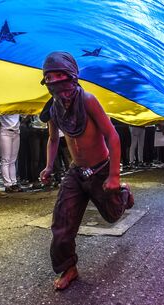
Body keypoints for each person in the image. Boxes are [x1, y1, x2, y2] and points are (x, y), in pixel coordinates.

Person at [38, 52, 134, 290]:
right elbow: (52, 139)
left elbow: (112, 135)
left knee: (112, 216)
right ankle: (68, 268)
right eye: (50, 77)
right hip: (76, 173)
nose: (56, 81)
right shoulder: (53, 109)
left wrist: (114, 176)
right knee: (62, 224)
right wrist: (49, 166)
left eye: (61, 75)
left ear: (71, 76)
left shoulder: (88, 100)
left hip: (101, 170)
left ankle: (123, 193)